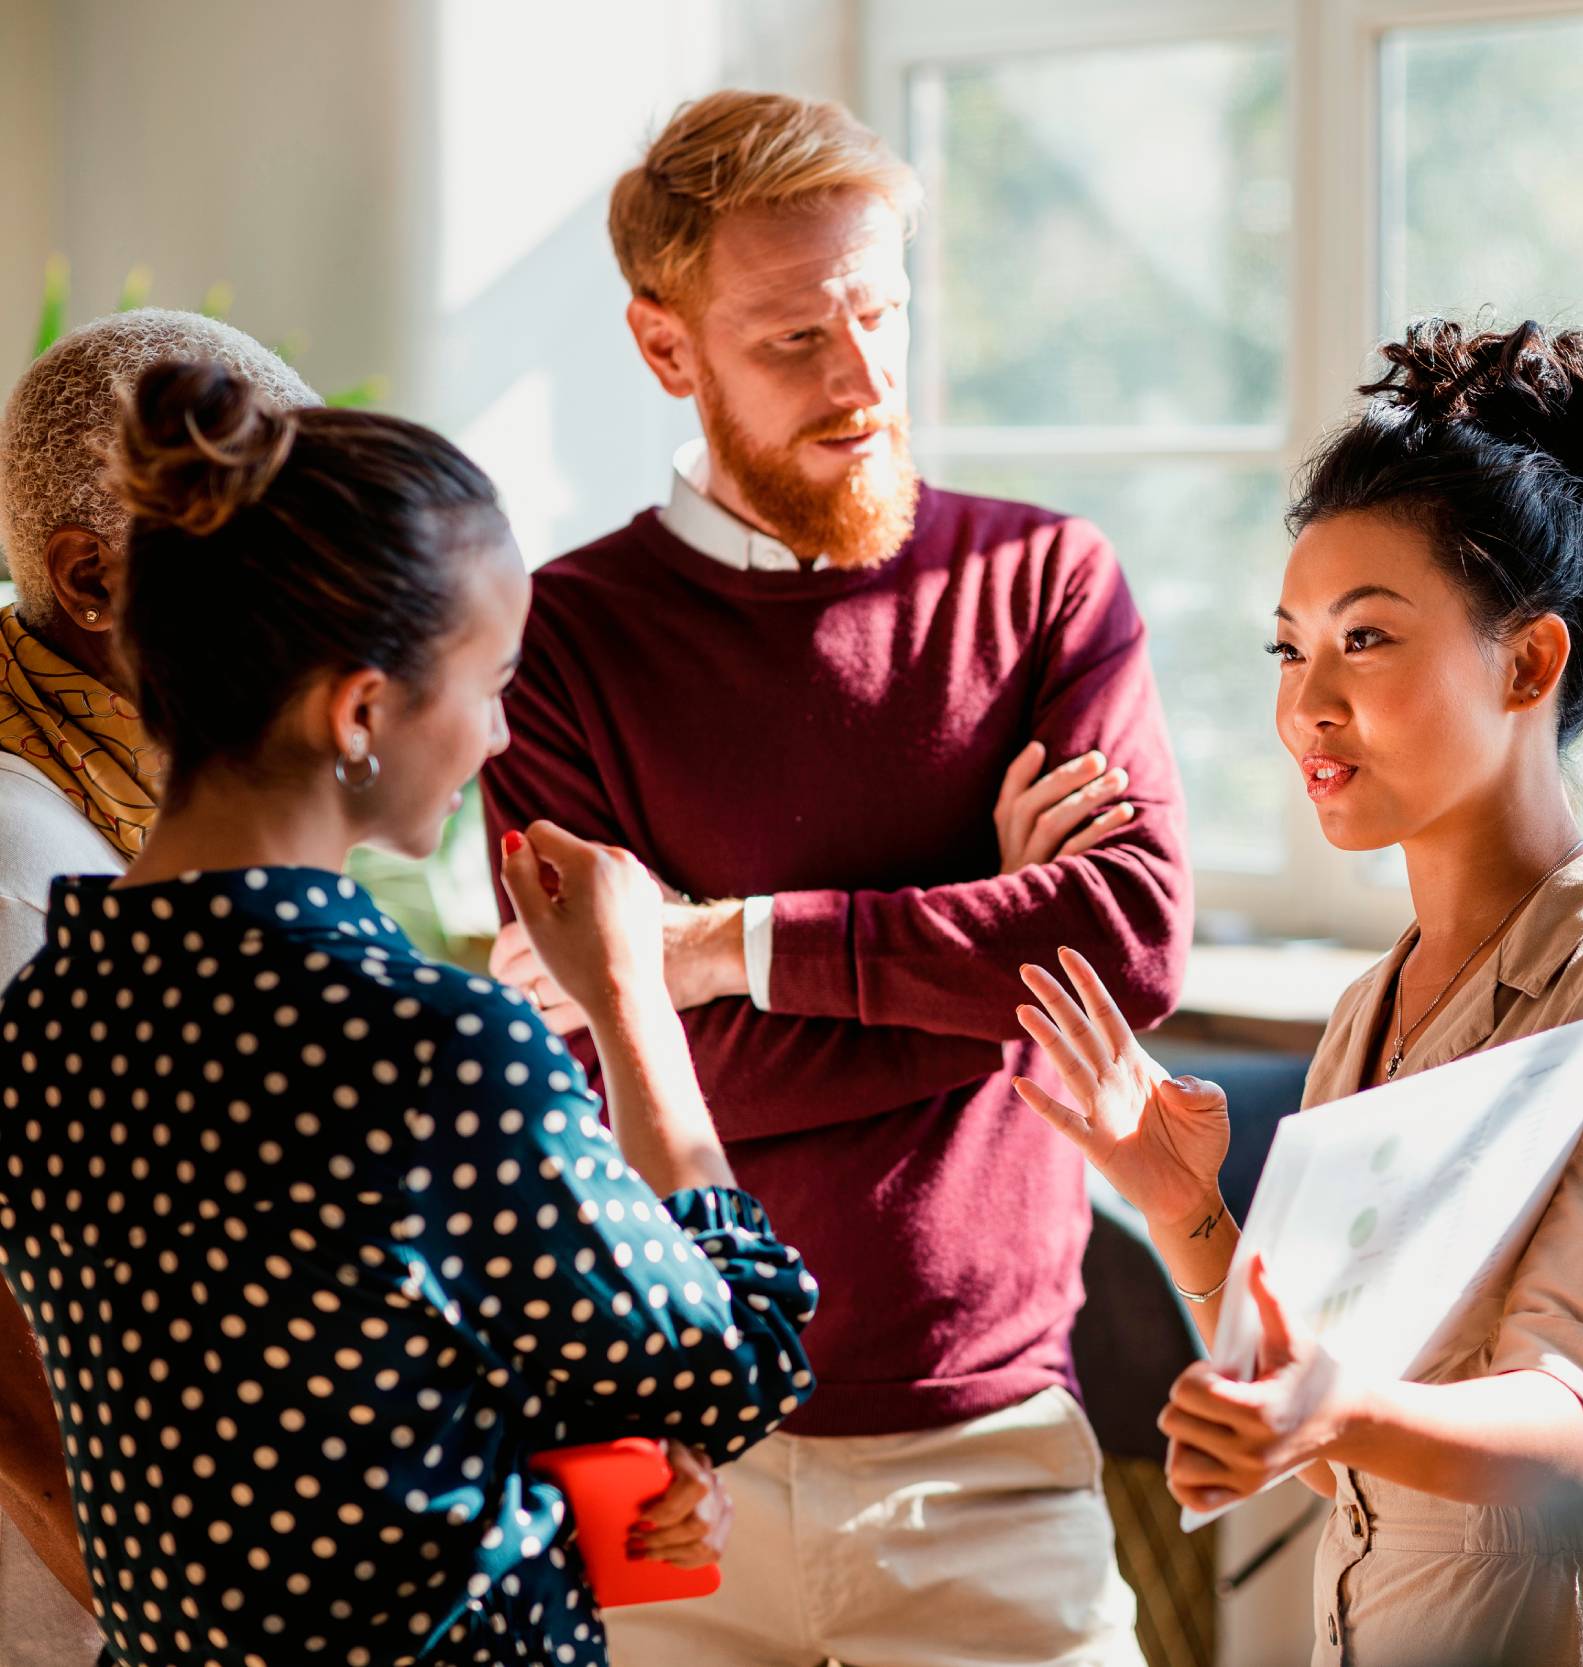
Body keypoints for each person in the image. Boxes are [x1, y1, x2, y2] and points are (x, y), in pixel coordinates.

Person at [479, 89, 1187, 1667]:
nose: (863, 379)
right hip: (672, 1473)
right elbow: (598, 1063)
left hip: (992, 1457)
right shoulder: (557, 645)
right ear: (668, 349)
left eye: (881, 313)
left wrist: (713, 949)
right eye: (796, 338)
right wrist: (984, 974)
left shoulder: (1046, 584)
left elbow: (1124, 949)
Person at [0, 360, 821, 1667]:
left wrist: (561, 1481)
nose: (500, 736)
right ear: (364, 711)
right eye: (491, 681)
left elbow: (301, 1403)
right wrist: (629, 1003)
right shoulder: (429, 1049)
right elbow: (734, 1363)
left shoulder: (45, 1020)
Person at [1016, 319, 1583, 1666]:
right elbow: (1319, 1438)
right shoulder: (1375, 1006)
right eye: (1288, 649)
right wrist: (1183, 1204)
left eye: (1365, 640)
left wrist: (1334, 1413)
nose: (1308, 703)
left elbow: (1569, 1428)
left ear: (1529, 664)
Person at [0, 309, 319, 1664]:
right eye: (274, 553)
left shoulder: (166, 798)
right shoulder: (29, 874)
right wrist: (162, 1597)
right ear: (91, 580)